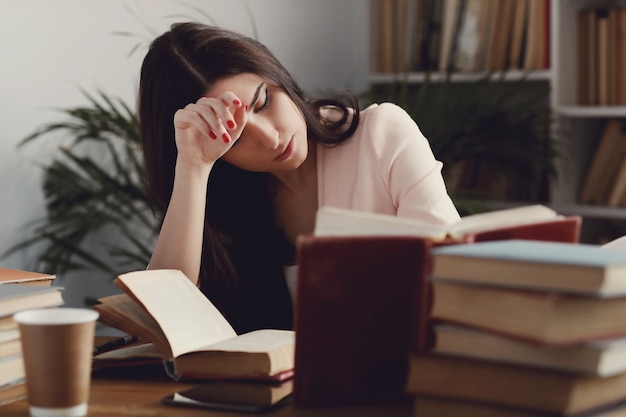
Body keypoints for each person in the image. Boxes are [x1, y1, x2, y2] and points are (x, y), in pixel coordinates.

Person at [138, 22, 460, 334]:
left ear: (277, 75)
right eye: (234, 138)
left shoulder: (381, 135)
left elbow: (454, 275)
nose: (270, 138)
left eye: (263, 103)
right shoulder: (222, 197)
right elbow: (164, 317)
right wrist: (193, 167)